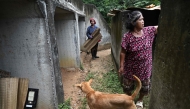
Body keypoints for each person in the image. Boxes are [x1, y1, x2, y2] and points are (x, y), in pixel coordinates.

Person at [118, 11, 158, 109]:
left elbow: (159, 27)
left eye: (143, 19)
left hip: (145, 67)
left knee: (145, 87)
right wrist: (122, 66)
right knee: (127, 87)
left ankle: (140, 100)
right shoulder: (127, 37)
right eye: (140, 19)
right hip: (130, 68)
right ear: (133, 22)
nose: (143, 21)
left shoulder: (149, 31)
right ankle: (129, 99)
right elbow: (123, 52)